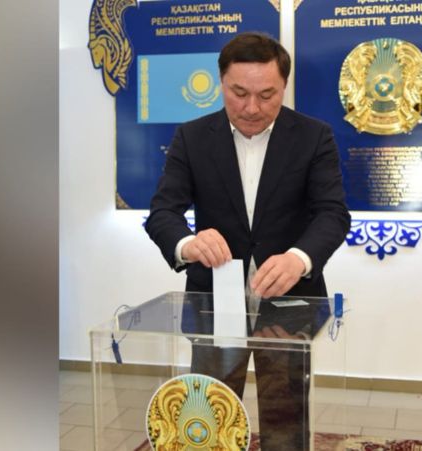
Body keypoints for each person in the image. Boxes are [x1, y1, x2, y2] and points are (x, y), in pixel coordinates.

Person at [145, 31, 350, 450]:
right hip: (214, 303)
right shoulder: (191, 137)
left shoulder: (314, 136)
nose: (252, 108)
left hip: (290, 305)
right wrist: (188, 244)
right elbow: (163, 213)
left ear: (284, 86)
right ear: (221, 83)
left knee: (286, 419)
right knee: (210, 416)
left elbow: (333, 213)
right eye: (239, 93)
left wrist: (299, 258)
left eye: (266, 95)